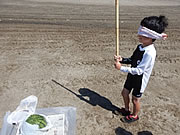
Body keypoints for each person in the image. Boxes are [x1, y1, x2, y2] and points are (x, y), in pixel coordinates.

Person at [114, 15, 168, 123]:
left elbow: (140, 70)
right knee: (124, 93)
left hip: (140, 79)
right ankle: (126, 109)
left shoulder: (150, 53)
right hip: (132, 76)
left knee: (135, 100)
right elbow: (132, 60)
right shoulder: (140, 46)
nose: (139, 36)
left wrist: (121, 68)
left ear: (152, 37)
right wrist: (122, 59)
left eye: (143, 35)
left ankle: (134, 115)